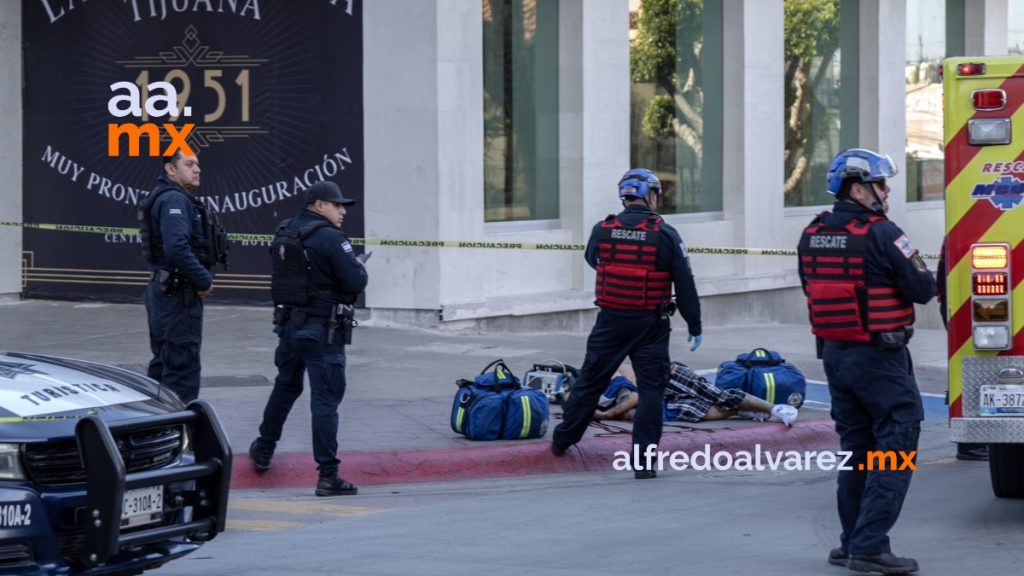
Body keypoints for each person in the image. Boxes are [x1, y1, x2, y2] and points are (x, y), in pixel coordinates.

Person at [798, 149, 935, 575]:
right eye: (880, 183)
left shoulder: (812, 232)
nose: (887, 190)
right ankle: (871, 545)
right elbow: (923, 287)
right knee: (896, 441)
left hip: (836, 355)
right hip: (879, 356)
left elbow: (809, 284)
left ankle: (850, 543)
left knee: (857, 450)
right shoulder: (883, 232)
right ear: (858, 188)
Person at [551, 168, 703, 479]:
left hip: (610, 320)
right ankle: (644, 466)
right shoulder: (665, 233)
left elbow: (594, 260)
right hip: (651, 324)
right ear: (650, 194)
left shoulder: (602, 228)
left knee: (590, 381)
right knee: (651, 392)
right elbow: (684, 284)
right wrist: (694, 324)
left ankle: (562, 440)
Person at [249, 181, 368, 497]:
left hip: (289, 327)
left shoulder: (285, 230)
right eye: (337, 204)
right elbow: (356, 281)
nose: (342, 210)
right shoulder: (331, 238)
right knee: (325, 399)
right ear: (318, 205)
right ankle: (328, 475)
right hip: (321, 332)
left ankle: (263, 447)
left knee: (286, 386)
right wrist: (357, 265)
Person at [140, 151, 227, 404]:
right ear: (170, 169)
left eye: (198, 164)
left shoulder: (172, 198)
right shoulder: (174, 201)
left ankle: (154, 428)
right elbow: (177, 248)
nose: (197, 169)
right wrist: (203, 279)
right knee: (181, 370)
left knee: (163, 365)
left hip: (166, 292)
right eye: (189, 164)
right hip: (177, 296)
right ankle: (178, 435)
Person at [590, 362, 799, 426]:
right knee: (697, 412)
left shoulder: (611, 374)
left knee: (718, 395)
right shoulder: (587, 392)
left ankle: (775, 408)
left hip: (666, 378)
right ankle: (745, 410)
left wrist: (605, 415)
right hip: (658, 398)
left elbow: (634, 397)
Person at [936, 236, 989, 462]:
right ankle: (971, 443)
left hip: (959, 302)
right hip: (966, 304)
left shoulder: (959, 230)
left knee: (971, 363)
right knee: (972, 363)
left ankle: (972, 441)